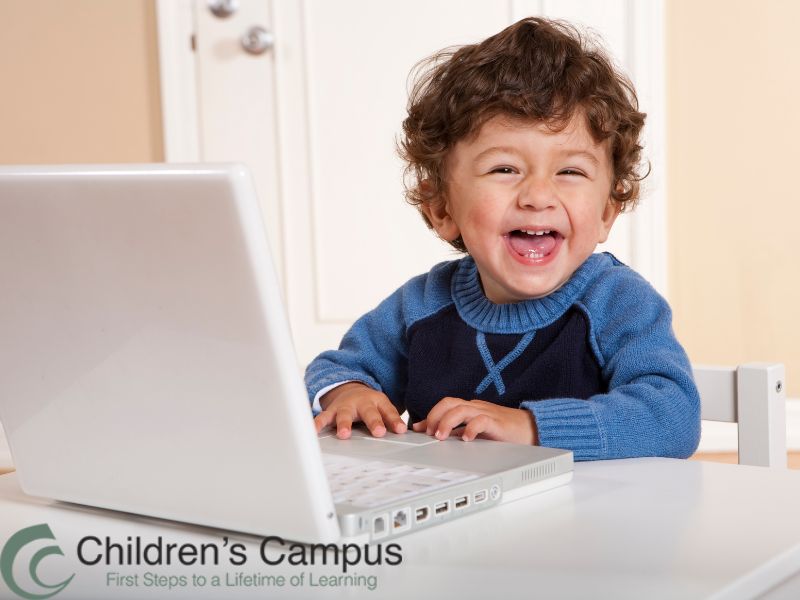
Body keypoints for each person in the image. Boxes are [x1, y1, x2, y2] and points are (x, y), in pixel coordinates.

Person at [305, 17, 700, 460]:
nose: (537, 196)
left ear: (608, 212)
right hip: (458, 520)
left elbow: (674, 416)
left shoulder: (617, 303)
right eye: (504, 169)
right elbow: (334, 370)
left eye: (570, 171)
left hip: (591, 519)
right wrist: (347, 394)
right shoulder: (420, 307)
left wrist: (532, 427)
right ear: (441, 209)